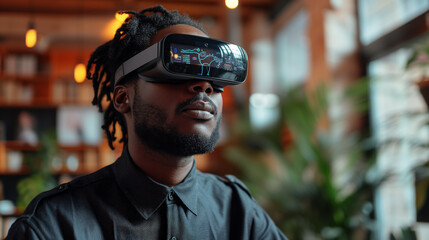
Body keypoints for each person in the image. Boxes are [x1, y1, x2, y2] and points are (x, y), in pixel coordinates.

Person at [6, 5, 288, 240]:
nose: (204, 86)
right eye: (178, 67)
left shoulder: (240, 212)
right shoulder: (54, 225)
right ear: (122, 98)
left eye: (215, 78)